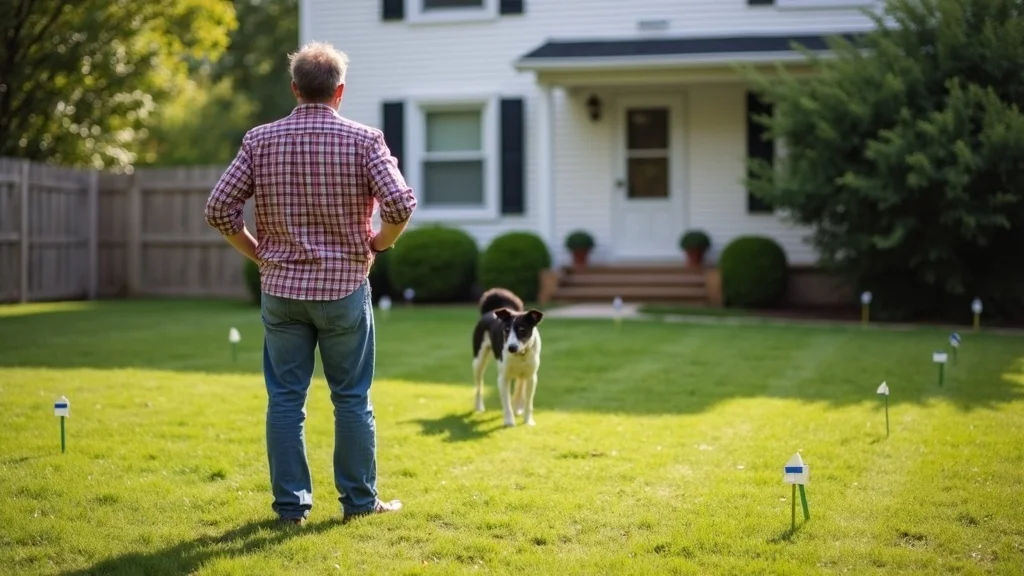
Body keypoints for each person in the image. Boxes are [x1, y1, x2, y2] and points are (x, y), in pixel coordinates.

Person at [204, 41, 417, 526]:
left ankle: (290, 509)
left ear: (295, 88)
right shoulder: (365, 140)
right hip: (344, 289)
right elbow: (401, 205)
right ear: (339, 91)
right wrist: (380, 243)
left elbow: (218, 209)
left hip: (281, 292)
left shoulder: (260, 140)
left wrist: (257, 251)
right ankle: (360, 504)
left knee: (284, 400)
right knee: (351, 399)